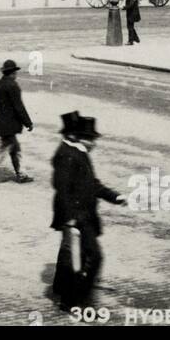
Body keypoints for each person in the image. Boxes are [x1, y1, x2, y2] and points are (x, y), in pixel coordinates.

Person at [50, 111, 126, 310]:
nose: (94, 143)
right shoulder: (68, 155)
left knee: (70, 255)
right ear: (77, 137)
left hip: (80, 214)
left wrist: (114, 197)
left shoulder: (77, 153)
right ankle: (76, 300)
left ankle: (62, 291)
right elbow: (64, 189)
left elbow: (91, 184)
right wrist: (70, 219)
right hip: (78, 216)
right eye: (91, 139)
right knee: (92, 256)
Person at [0, 59, 34, 187]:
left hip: (1, 123)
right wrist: (28, 123)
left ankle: (21, 174)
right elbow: (19, 107)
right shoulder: (13, 86)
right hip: (10, 124)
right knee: (2, 151)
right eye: (15, 72)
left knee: (14, 149)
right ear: (13, 73)